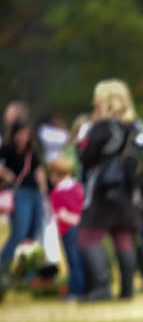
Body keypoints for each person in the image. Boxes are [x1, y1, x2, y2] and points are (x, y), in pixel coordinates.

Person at [75, 79, 141, 301]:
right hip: (127, 193)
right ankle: (127, 289)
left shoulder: (102, 127)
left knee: (87, 237)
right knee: (123, 238)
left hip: (103, 192)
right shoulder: (135, 127)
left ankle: (102, 287)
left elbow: (85, 158)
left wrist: (82, 140)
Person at [0, 119, 48, 273]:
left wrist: (44, 192)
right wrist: (6, 174)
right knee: (19, 233)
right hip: (19, 192)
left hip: (34, 192)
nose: (24, 137)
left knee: (34, 234)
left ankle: (28, 274)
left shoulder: (31, 151)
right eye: (21, 133)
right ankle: (2, 267)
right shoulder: (8, 149)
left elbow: (38, 170)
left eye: (26, 134)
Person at [46, 155, 85, 298]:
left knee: (73, 260)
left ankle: (76, 290)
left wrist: (67, 217)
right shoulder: (78, 187)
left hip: (68, 229)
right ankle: (76, 288)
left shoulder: (58, 192)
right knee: (76, 259)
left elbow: (59, 213)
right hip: (78, 227)